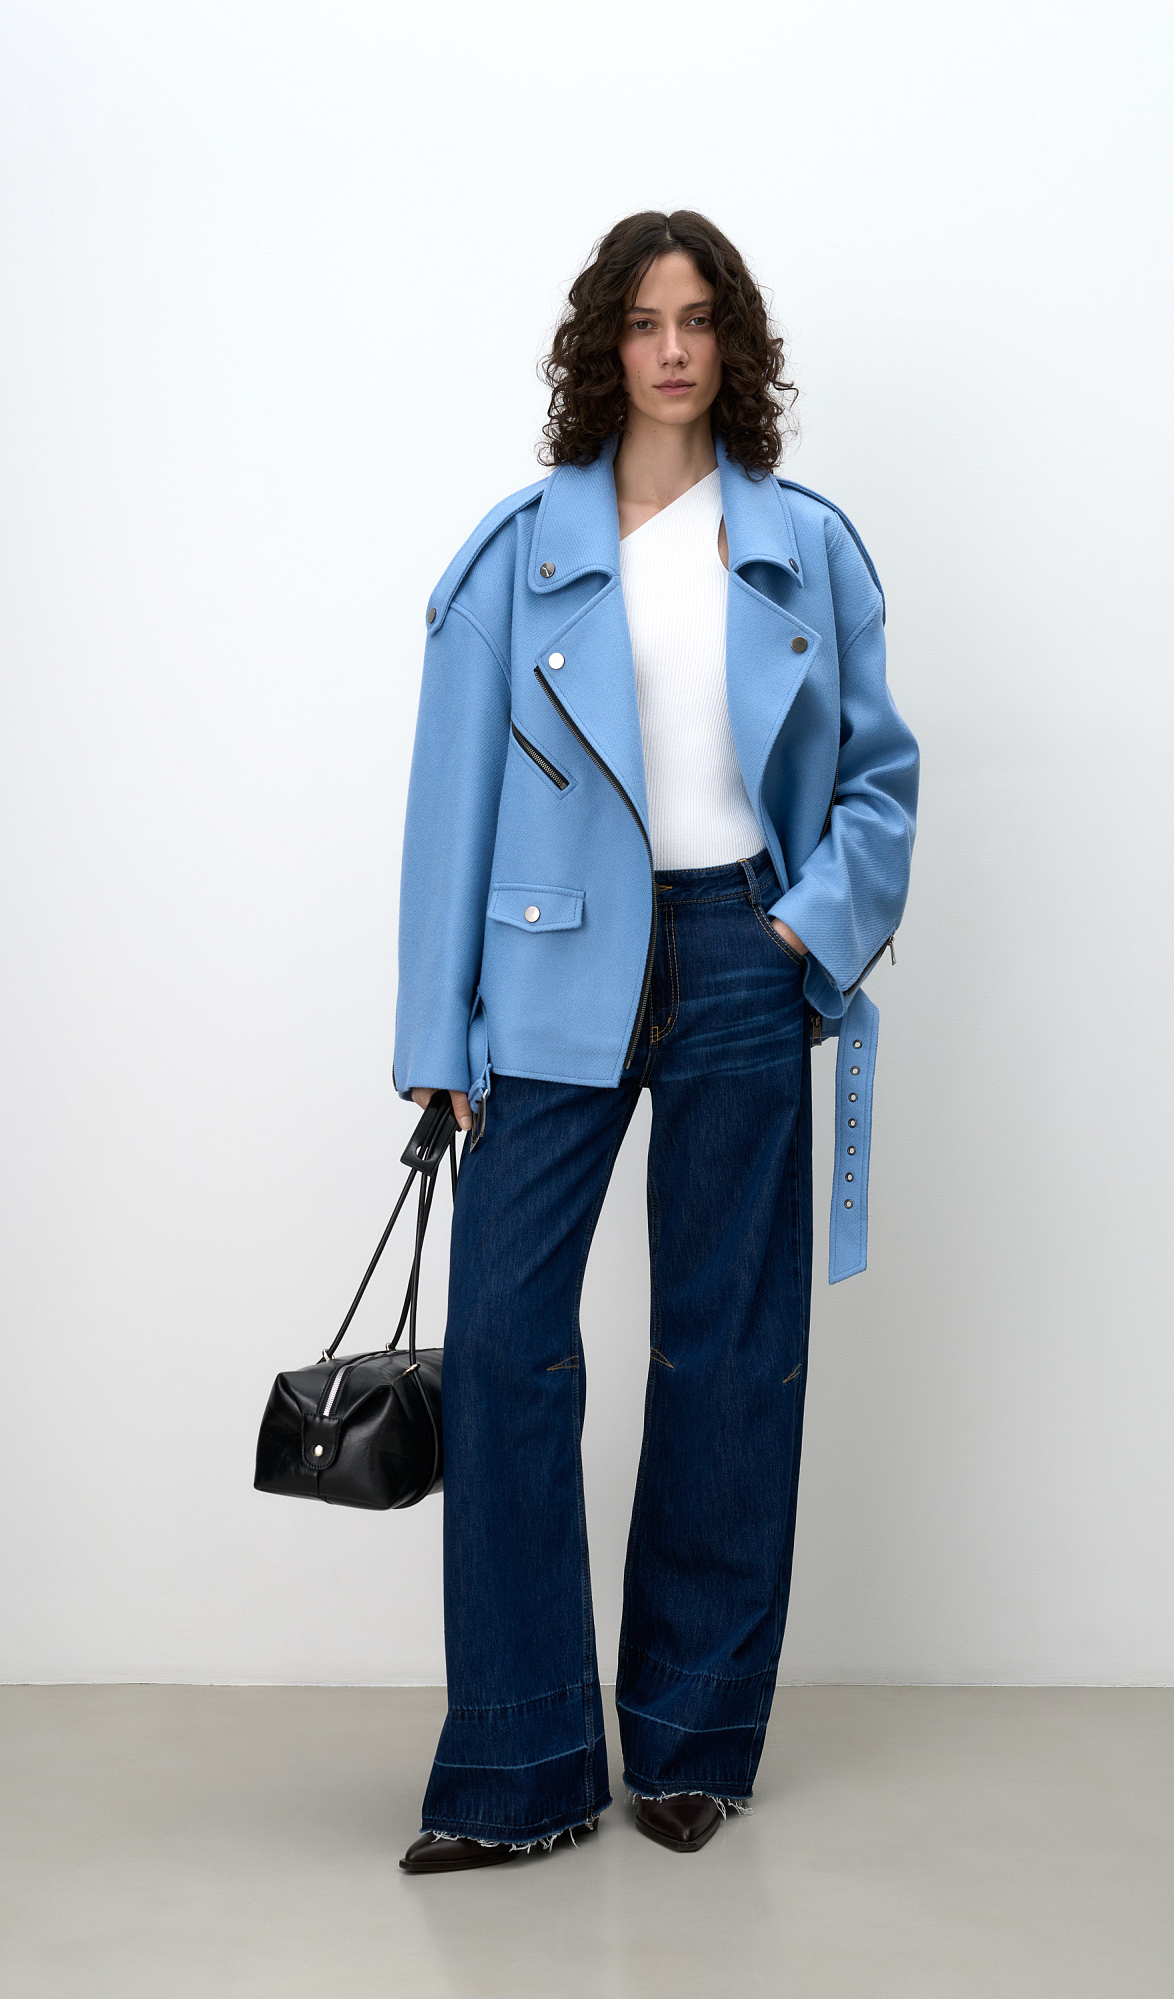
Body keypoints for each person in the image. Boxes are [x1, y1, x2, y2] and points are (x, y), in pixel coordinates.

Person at [393, 211, 919, 1872]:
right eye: (643, 320)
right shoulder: (515, 553)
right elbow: (450, 806)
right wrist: (435, 1031)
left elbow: (880, 783)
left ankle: (694, 1743)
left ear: (733, 343)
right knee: (503, 1348)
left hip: (747, 954)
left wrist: (802, 930)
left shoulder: (807, 546)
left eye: (699, 320)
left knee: (729, 1354)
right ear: (603, 346)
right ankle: (522, 1764)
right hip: (550, 969)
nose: (673, 349)